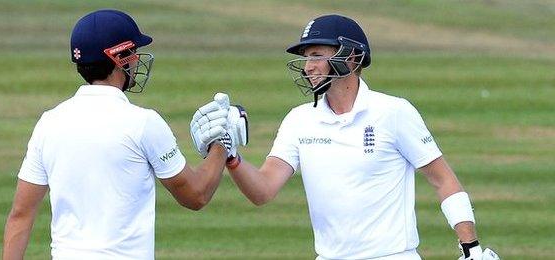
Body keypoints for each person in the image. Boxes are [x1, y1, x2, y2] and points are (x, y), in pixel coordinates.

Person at [192, 14, 500, 259]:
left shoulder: (393, 112)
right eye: (305, 57)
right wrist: (231, 157)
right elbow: (262, 191)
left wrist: (470, 248)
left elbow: (443, 180)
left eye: (316, 55)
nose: (307, 67)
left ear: (351, 58)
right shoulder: (299, 120)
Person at [2, 9, 233, 260]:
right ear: (119, 57)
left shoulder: (49, 123)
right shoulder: (144, 123)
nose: (136, 59)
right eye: (132, 52)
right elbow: (195, 195)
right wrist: (221, 144)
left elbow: (20, 216)